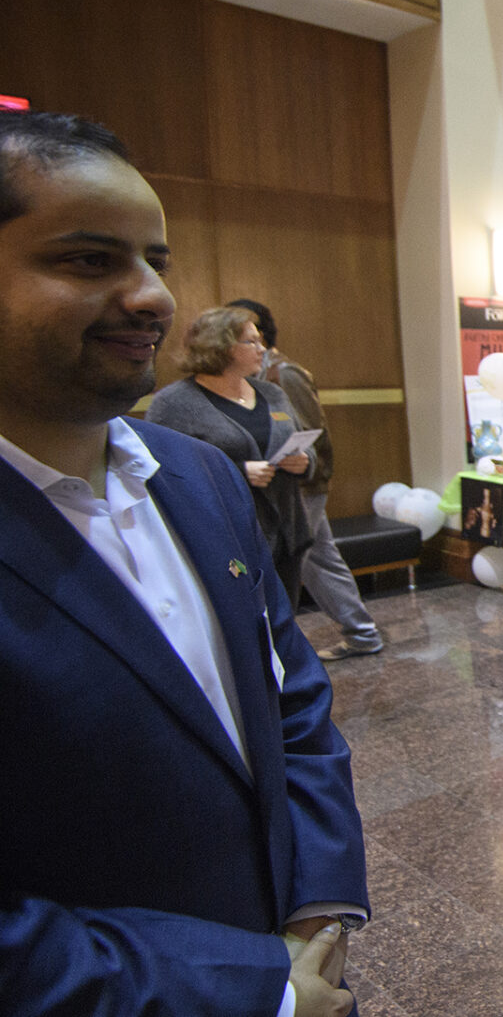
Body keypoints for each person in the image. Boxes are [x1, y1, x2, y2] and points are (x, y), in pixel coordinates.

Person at [0, 110, 366, 1015]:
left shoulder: (196, 480)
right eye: (90, 260)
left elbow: (291, 694)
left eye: (154, 262)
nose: (152, 297)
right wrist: (255, 992)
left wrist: (319, 902)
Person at [228, 298, 385, 660]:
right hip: (286, 486)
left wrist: (301, 467)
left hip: (301, 486)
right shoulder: (256, 376)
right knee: (319, 557)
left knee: (304, 556)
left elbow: (310, 432)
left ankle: (348, 636)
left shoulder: (284, 373)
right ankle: (361, 633)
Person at [148, 305, 314, 604]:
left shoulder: (272, 393)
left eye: (260, 340)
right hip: (225, 539)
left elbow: (302, 443)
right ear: (219, 345)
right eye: (251, 341)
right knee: (244, 624)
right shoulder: (174, 404)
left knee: (284, 623)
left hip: (287, 533)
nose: (262, 349)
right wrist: (238, 472)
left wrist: (304, 462)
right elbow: (162, 474)